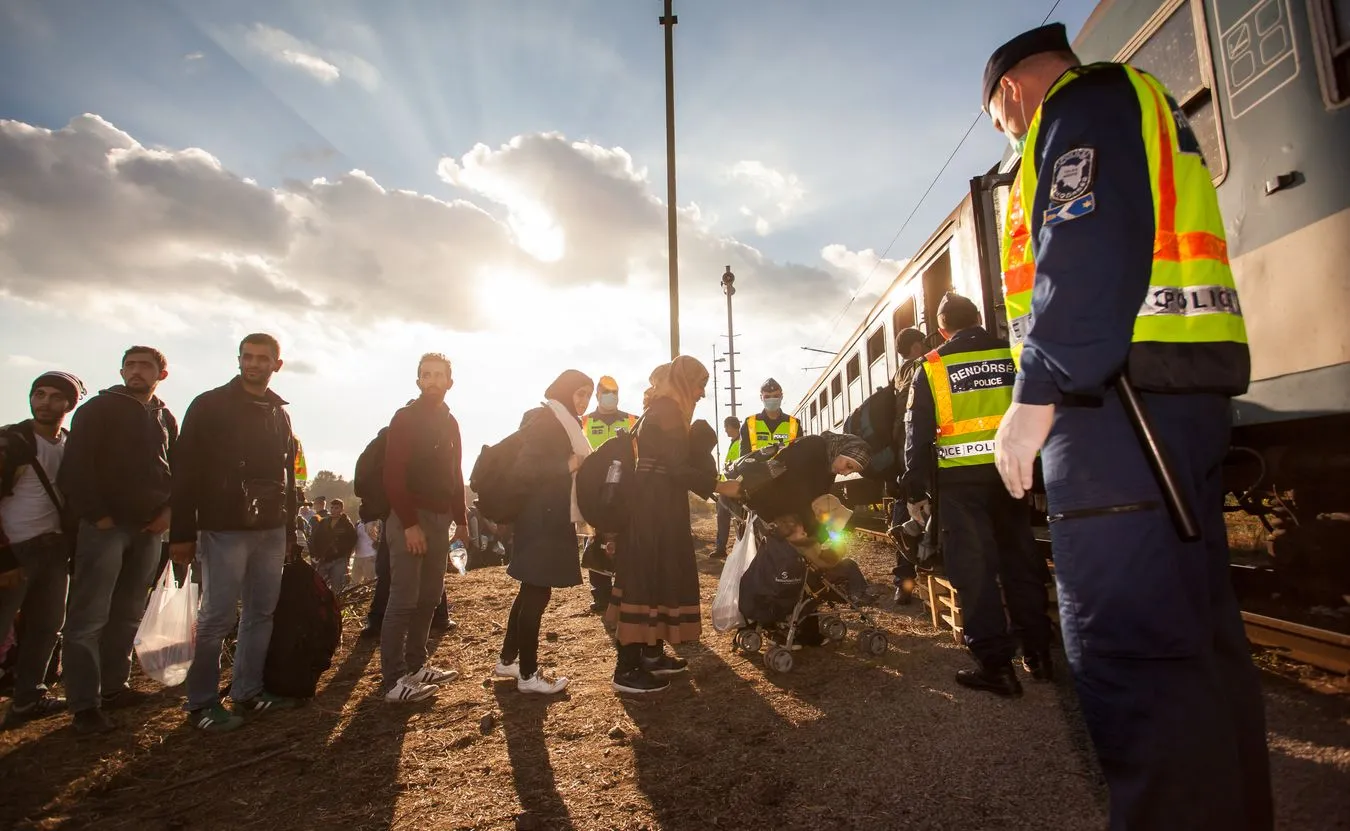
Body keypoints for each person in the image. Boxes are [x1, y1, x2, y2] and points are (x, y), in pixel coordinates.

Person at [982, 24, 1271, 828]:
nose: (1009, 135)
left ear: (1009, 92)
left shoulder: (1083, 106)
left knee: (1135, 662)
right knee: (1202, 654)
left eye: (1001, 121)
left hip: (1116, 414)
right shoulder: (1137, 103)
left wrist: (1037, 389)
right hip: (1170, 404)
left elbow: (1084, 238)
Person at [902, 293, 1052, 698]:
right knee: (1020, 559)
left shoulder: (932, 365)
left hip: (960, 483)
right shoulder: (1011, 354)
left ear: (943, 328)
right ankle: (1039, 653)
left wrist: (914, 486)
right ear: (979, 320)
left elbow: (916, 432)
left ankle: (996, 666)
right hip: (1010, 475)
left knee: (976, 570)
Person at [170, 334, 301, 733]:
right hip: (223, 525)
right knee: (216, 617)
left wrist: (291, 530)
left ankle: (248, 692)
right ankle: (201, 704)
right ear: (239, 359)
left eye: (263, 358)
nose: (254, 364)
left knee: (261, 612)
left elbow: (288, 477)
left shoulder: (278, 411)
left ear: (277, 364)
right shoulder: (209, 405)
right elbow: (185, 470)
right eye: (248, 357)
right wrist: (182, 531)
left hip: (270, 527)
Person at [605, 357, 743, 694]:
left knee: (658, 578)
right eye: (698, 384)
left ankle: (651, 655)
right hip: (651, 513)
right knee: (645, 582)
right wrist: (716, 481)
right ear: (682, 382)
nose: (701, 392)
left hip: (658, 509)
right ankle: (626, 670)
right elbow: (676, 467)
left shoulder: (663, 410)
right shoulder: (666, 411)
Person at [58, 346, 177, 734]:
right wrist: (98, 515)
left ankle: (114, 687)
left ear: (162, 373)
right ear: (122, 370)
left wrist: (167, 512)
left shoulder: (164, 416)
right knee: (89, 615)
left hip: (149, 529)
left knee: (127, 612)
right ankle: (83, 703)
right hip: (105, 527)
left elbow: (177, 469)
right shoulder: (97, 410)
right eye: (131, 366)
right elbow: (75, 468)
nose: (137, 372)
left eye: (146, 366)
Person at [494, 370, 595, 695]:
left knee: (530, 592)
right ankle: (527, 675)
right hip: (541, 520)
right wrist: (565, 466)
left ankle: (508, 660)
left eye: (587, 394)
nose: (584, 400)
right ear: (565, 391)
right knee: (537, 595)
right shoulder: (548, 420)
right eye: (580, 393)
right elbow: (526, 469)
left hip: (546, 517)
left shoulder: (563, 420)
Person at [379, 353, 466, 703]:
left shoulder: (451, 422)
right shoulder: (405, 418)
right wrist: (409, 523)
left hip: (440, 518)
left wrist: (461, 520)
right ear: (418, 382)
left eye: (438, 375)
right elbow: (392, 476)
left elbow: (455, 474)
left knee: (430, 596)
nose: (432, 380)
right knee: (403, 598)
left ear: (449, 382)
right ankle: (393, 679)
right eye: (425, 375)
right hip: (408, 517)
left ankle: (416, 665)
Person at [0, 371, 85, 727]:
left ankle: (28, 699)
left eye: (54, 396)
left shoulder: (68, 443)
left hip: (54, 549)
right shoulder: (13, 441)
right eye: (39, 394)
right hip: (15, 549)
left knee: (47, 627)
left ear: (70, 403)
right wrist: (4, 558)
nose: (44, 402)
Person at [581, 376, 637, 612]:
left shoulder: (631, 420)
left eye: (614, 392)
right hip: (594, 487)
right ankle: (601, 593)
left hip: (624, 487)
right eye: (605, 392)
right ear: (597, 395)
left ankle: (623, 590)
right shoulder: (584, 421)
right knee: (594, 537)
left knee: (626, 536)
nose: (610, 396)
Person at [886, 327, 929, 603]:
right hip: (920, 452)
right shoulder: (923, 367)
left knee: (904, 512)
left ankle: (904, 583)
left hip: (902, 454)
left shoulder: (897, 376)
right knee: (930, 512)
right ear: (916, 346)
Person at [739, 378, 802, 453]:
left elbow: (800, 456)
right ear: (761, 397)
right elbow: (743, 458)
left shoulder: (794, 424)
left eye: (775, 396)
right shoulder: (749, 423)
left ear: (781, 396)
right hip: (757, 464)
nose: (772, 399)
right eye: (767, 397)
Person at [310, 498, 357, 593]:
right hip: (324, 558)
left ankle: (336, 606)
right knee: (317, 585)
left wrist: (343, 552)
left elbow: (352, 540)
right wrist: (315, 554)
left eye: (336, 508)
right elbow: (315, 538)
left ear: (341, 510)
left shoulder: (346, 524)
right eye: (332, 507)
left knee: (337, 588)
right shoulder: (324, 522)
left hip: (339, 559)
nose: (333, 510)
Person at [712, 416, 742, 559]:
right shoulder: (734, 443)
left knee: (740, 520)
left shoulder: (742, 442)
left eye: (726, 427)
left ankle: (742, 549)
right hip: (727, 488)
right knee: (722, 518)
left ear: (732, 426)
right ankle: (720, 548)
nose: (725, 430)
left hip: (736, 489)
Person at [352, 518, 379, 586]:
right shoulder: (358, 523)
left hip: (370, 557)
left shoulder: (373, 522)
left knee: (370, 583)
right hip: (357, 557)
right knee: (354, 583)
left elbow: (376, 539)